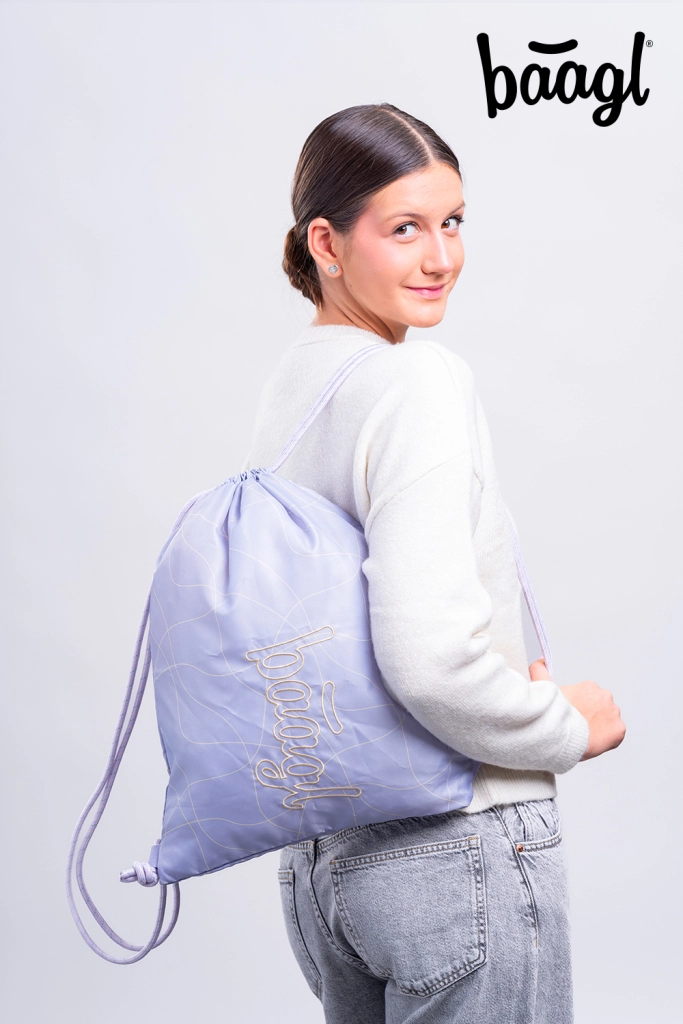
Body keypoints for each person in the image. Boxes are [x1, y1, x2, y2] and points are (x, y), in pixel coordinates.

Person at [242, 103, 625, 1024]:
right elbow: (426, 659)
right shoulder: (416, 379)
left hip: (328, 862)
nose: (441, 257)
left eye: (451, 222)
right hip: (454, 848)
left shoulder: (296, 384)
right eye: (404, 228)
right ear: (326, 243)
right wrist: (561, 726)